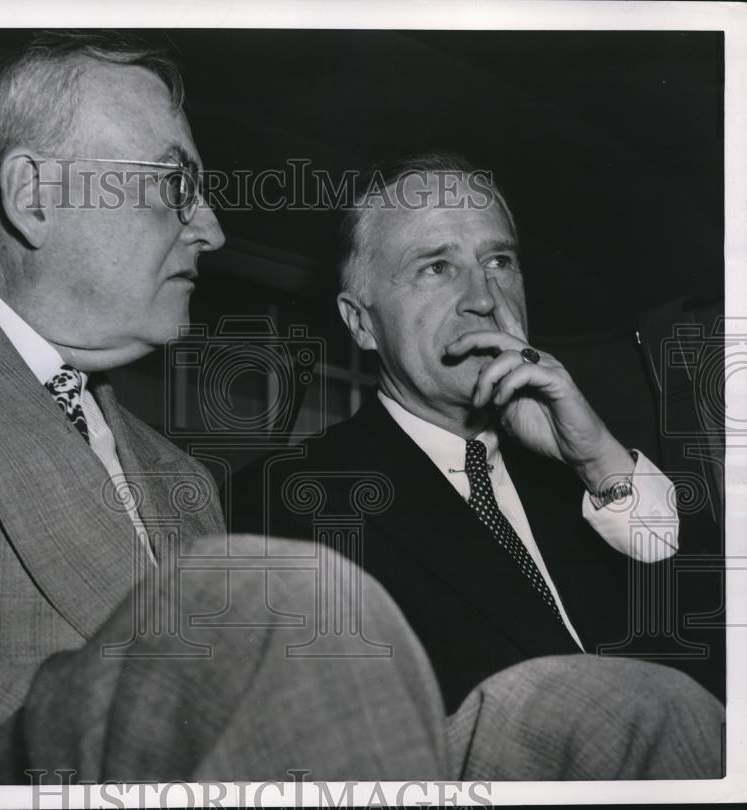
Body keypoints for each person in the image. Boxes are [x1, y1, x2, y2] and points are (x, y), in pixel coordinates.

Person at [0, 34, 722, 786]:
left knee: (637, 710)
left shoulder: (182, 481)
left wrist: (600, 464)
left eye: (500, 259)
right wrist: (109, 728)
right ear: (35, 195)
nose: (214, 229)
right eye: (176, 184)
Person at [228, 152, 724, 712]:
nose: (484, 298)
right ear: (362, 323)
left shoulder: (578, 476)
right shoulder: (283, 508)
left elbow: (719, 653)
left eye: (499, 261)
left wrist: (598, 461)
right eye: (436, 267)